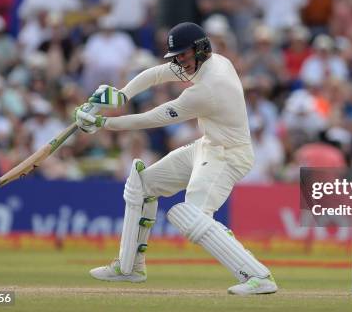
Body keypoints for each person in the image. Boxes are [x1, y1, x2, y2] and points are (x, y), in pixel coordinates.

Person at [73, 22, 277, 295]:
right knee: (142, 184)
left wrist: (103, 123)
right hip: (208, 145)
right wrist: (123, 95)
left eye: (184, 55)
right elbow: (157, 73)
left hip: (229, 155)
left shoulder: (208, 88)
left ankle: (258, 276)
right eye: (177, 56)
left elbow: (154, 117)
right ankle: (129, 267)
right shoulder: (209, 61)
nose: (180, 62)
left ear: (200, 49)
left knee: (192, 215)